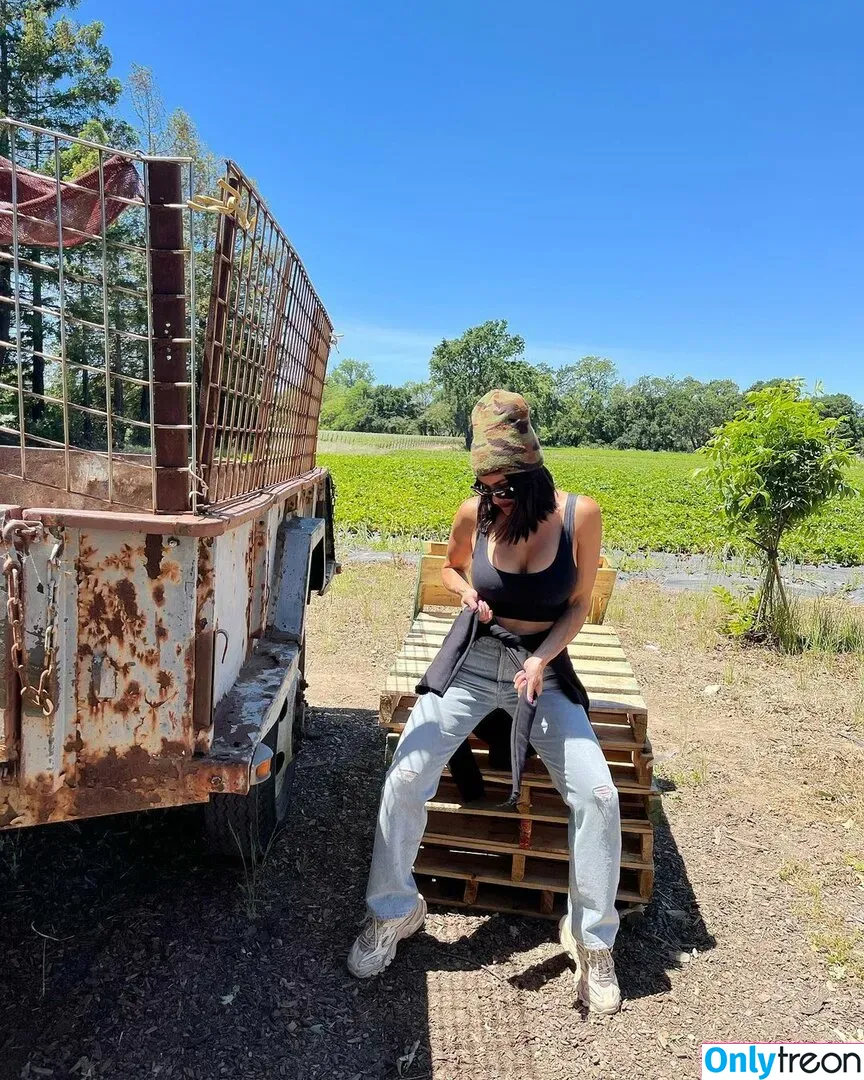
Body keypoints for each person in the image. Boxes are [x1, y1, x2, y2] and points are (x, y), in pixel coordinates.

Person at [347, 389, 622, 1015]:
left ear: (532, 474)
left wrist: (541, 659)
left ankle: (592, 939)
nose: (494, 499)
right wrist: (466, 593)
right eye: (486, 487)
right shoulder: (476, 512)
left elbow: (578, 603)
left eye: (505, 488)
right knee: (406, 774)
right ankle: (394, 910)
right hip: (473, 661)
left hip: (540, 668)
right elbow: (449, 567)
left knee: (599, 794)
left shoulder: (580, 515)